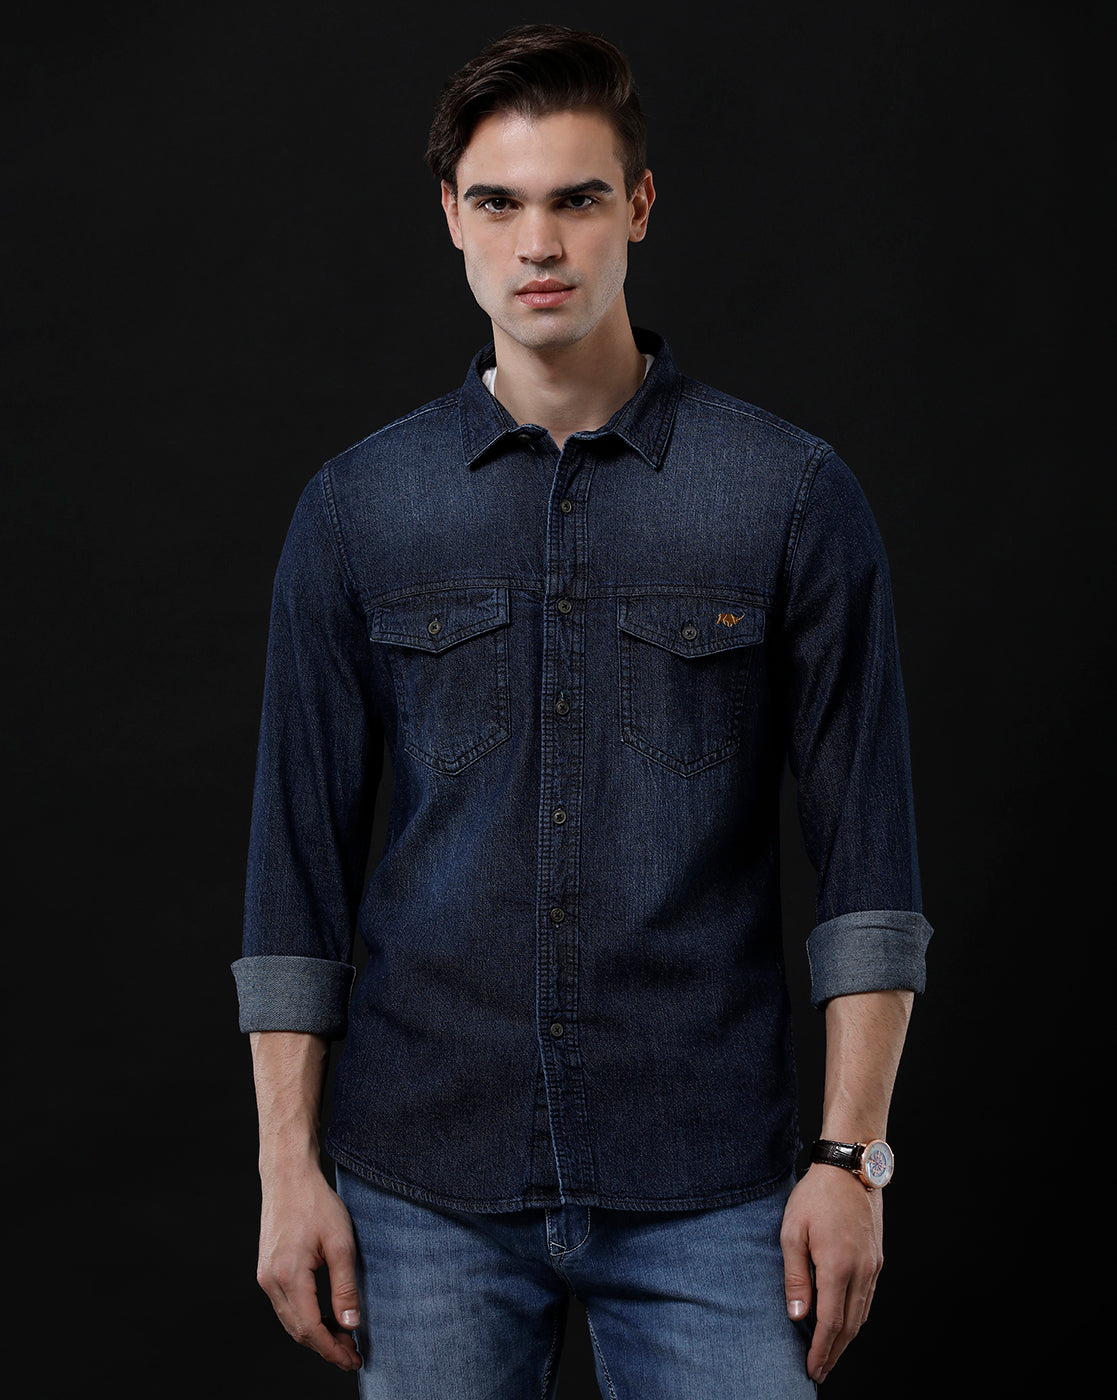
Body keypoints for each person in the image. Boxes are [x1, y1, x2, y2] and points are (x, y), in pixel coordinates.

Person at [232, 22, 932, 1398]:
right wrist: (287, 1172)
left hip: (710, 1183)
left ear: (641, 206)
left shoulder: (787, 496)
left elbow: (869, 867)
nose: (538, 243)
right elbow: (294, 878)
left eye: (577, 198)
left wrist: (851, 1161)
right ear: (451, 216)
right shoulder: (358, 510)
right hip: (422, 1187)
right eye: (498, 203)